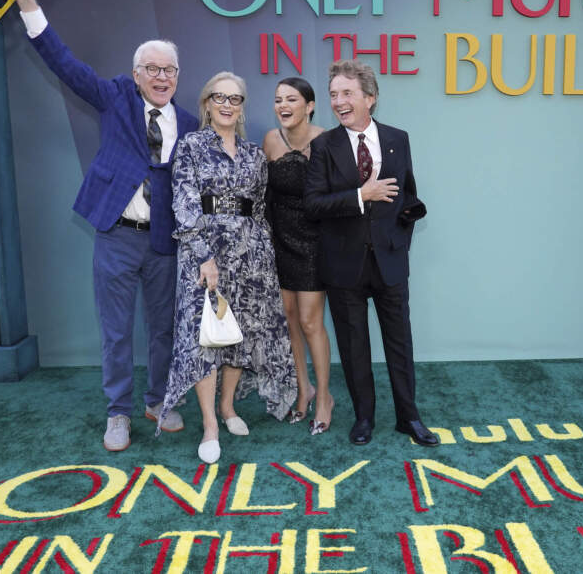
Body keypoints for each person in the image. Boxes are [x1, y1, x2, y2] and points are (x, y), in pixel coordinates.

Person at [5, 0, 195, 451]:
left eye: (169, 69)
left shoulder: (191, 124)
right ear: (136, 75)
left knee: (163, 329)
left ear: (177, 75)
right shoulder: (112, 96)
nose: (160, 76)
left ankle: (159, 401)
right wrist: (28, 4)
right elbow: (63, 63)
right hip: (115, 234)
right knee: (115, 333)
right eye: (151, 68)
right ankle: (118, 414)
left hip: (164, 242)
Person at [161, 72, 296, 463]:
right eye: (219, 97)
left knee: (239, 334)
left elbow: (258, 207)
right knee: (206, 337)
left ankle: (229, 407)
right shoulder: (191, 146)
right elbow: (184, 204)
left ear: (241, 107)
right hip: (205, 256)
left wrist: (264, 251)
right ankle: (209, 425)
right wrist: (204, 256)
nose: (226, 104)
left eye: (235, 99)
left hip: (250, 255)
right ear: (206, 103)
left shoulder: (255, 154)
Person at [304, 60, 438, 447]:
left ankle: (408, 418)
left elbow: (406, 191)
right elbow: (313, 205)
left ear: (370, 98)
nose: (339, 101)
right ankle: (364, 418)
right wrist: (361, 195)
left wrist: (407, 224)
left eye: (347, 93)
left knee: (400, 342)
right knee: (354, 346)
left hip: (390, 261)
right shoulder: (323, 146)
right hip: (344, 263)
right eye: (334, 95)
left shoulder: (399, 138)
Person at [262, 78, 335, 435]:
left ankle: (324, 396)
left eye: (291, 99)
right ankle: (302, 391)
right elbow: (265, 196)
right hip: (279, 241)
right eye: (278, 99)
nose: (283, 105)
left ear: (310, 105)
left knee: (310, 322)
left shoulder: (327, 140)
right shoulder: (271, 140)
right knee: (290, 320)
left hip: (315, 242)